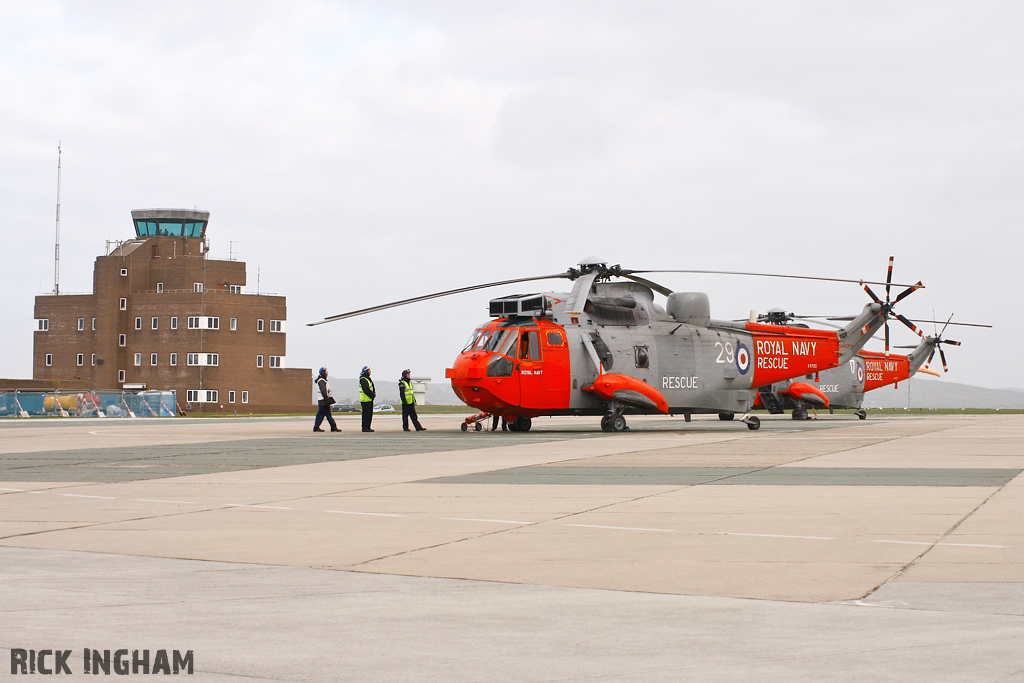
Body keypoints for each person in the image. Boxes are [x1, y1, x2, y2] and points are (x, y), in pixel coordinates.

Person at [313, 367, 340, 433]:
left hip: (324, 400)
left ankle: (333, 427)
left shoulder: (323, 380)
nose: (327, 372)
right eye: (326, 371)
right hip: (323, 400)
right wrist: (327, 400)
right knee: (321, 414)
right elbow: (323, 391)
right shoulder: (321, 381)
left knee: (328, 415)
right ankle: (316, 427)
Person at [359, 366, 375, 432]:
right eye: (369, 370)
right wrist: (372, 395)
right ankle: (365, 427)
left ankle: (368, 426)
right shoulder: (363, 379)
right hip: (365, 400)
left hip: (369, 400)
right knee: (366, 414)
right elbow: (366, 389)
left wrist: (373, 394)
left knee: (369, 415)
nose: (370, 371)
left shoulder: (368, 379)